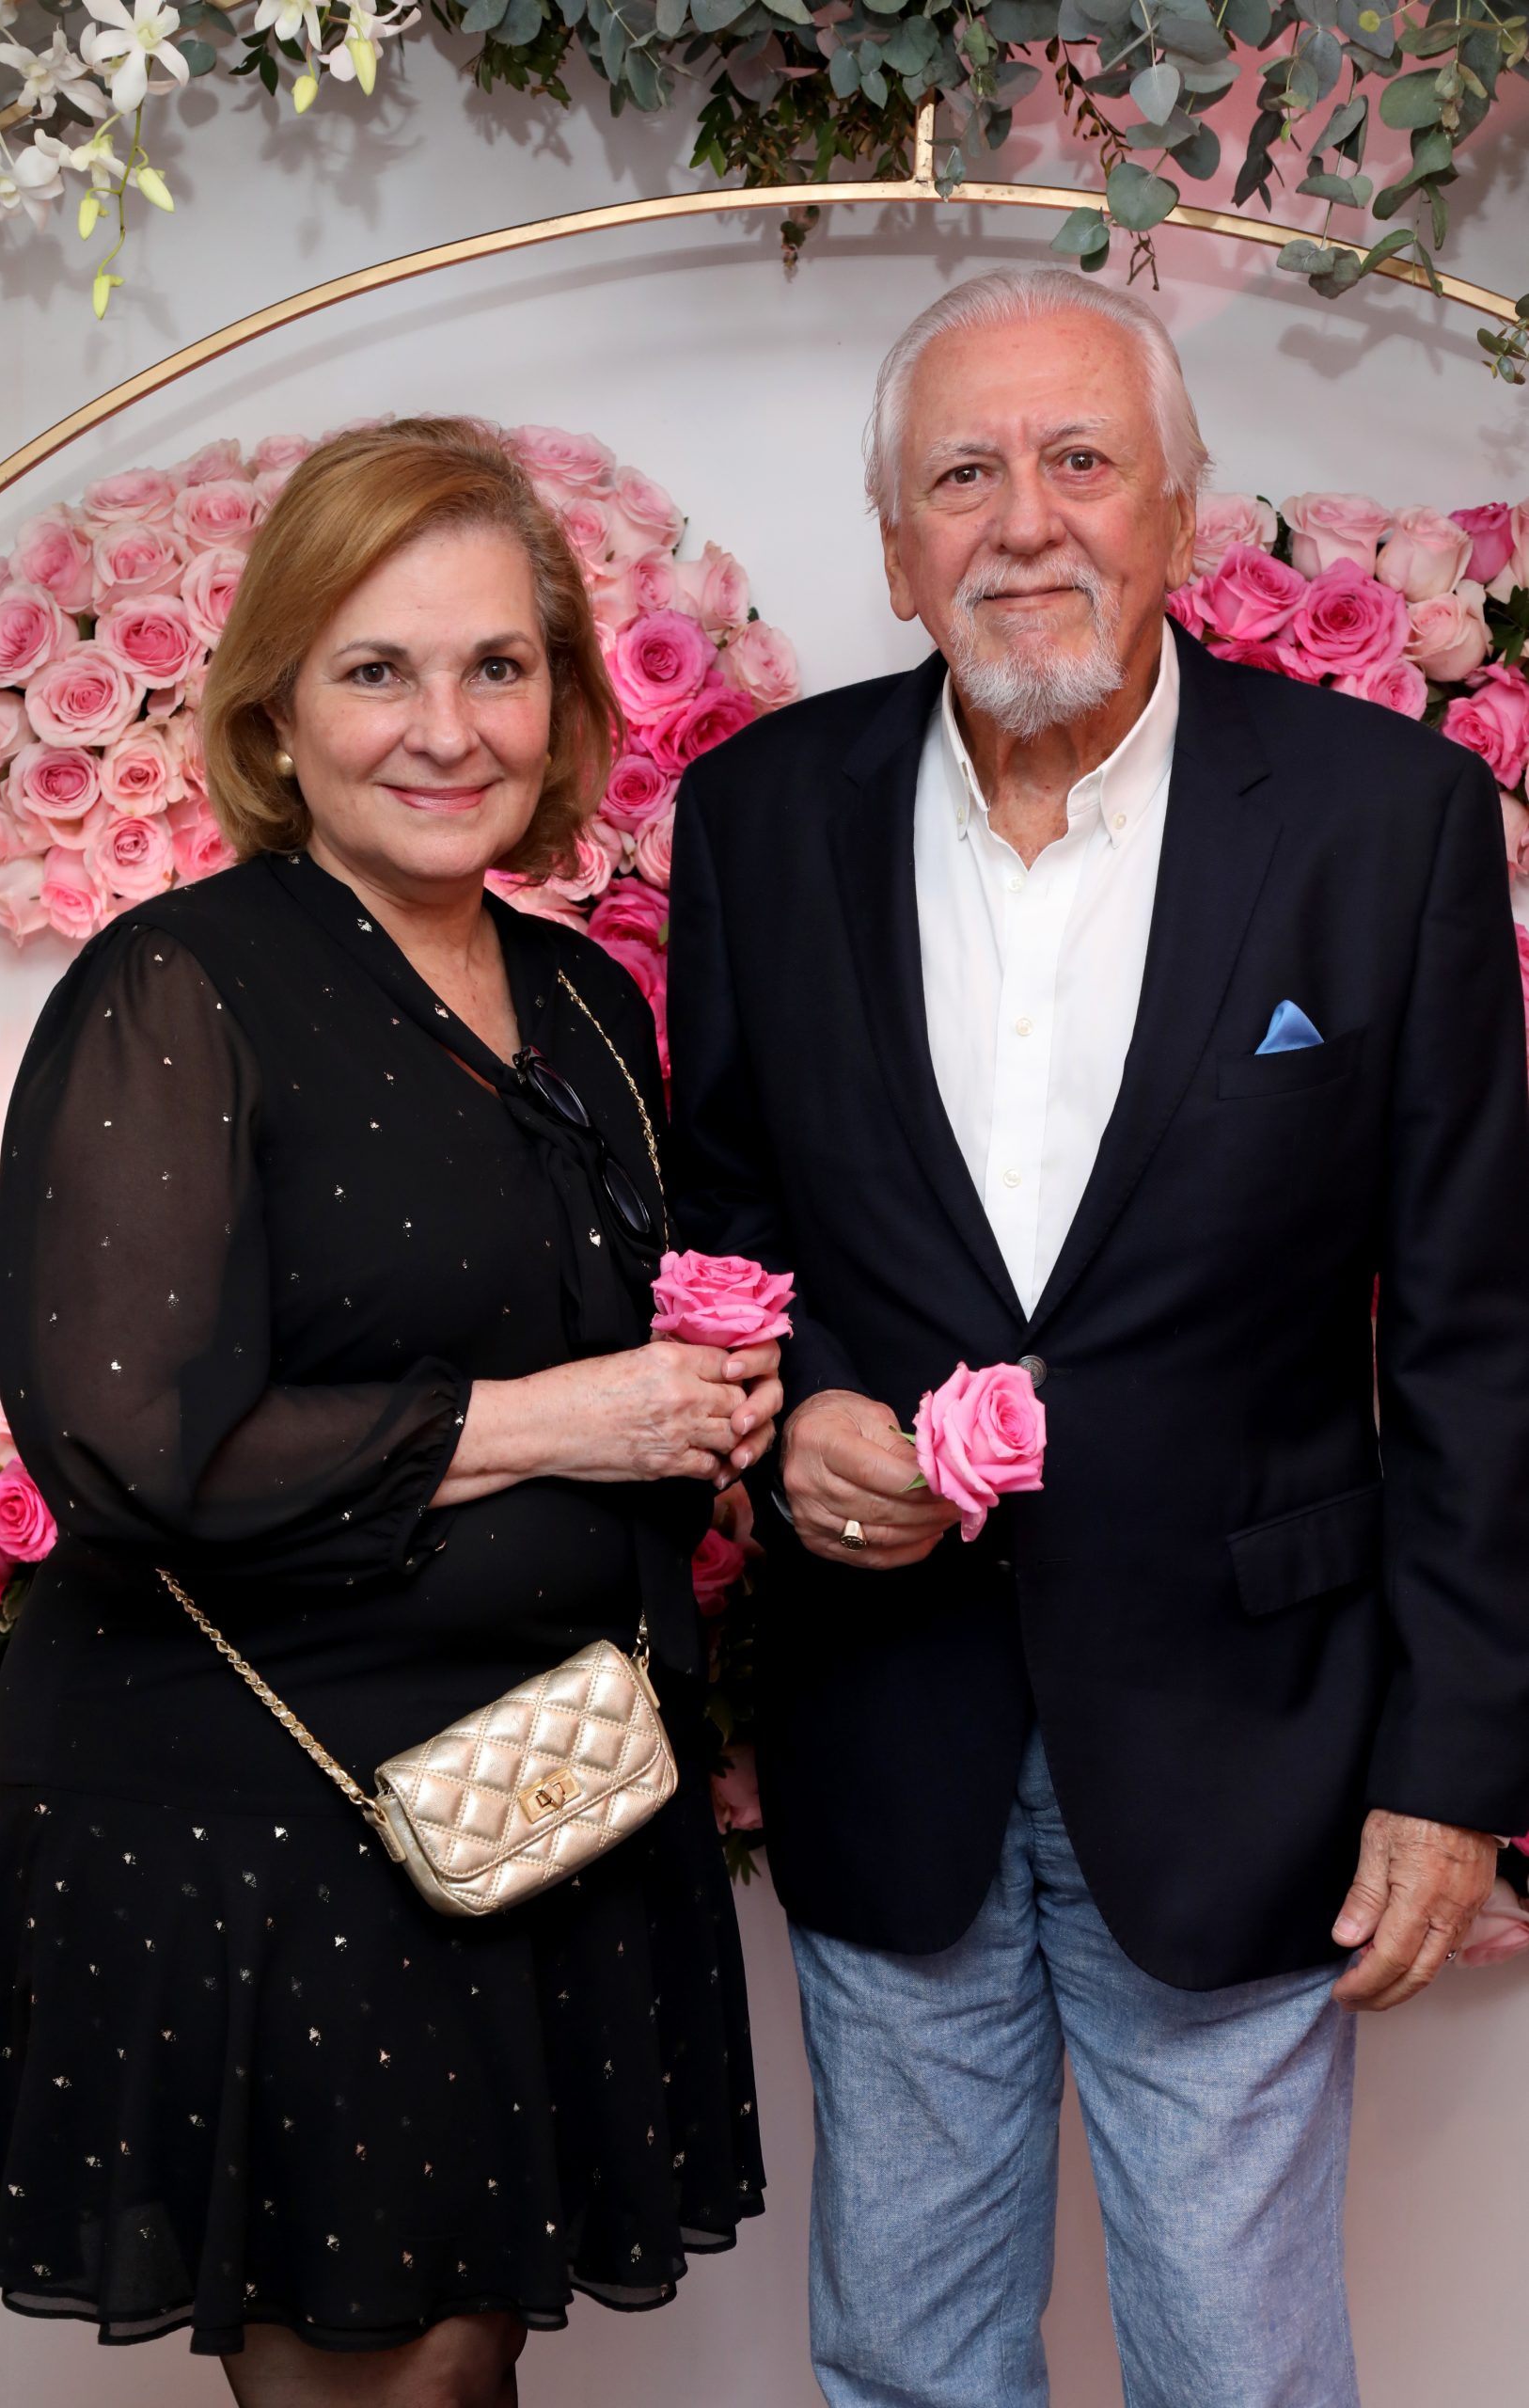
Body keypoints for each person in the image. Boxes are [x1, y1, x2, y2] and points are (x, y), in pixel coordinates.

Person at [667, 269, 1529, 2408]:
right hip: (888, 1721)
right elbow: (727, 1227)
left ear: (1175, 511)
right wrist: (799, 1420)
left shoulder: (1378, 819)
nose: (1023, 520)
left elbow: (1472, 1326)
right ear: (895, 545)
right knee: (908, 2359)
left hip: (1253, 1735)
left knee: (1240, 2371)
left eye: (1079, 460)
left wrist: (1449, 1771)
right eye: (962, 474)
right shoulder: (761, 815)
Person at [0, 417, 779, 2406]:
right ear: (277, 707)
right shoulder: (179, 985)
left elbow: (603, 1348)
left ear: (561, 700)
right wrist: (567, 1419)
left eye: (497, 665)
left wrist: (708, 1413)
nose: (446, 728)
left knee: (462, 2368)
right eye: (377, 668)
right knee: (401, 2384)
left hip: (533, 1787)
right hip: (270, 1816)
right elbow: (128, 1448)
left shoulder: (585, 1004)